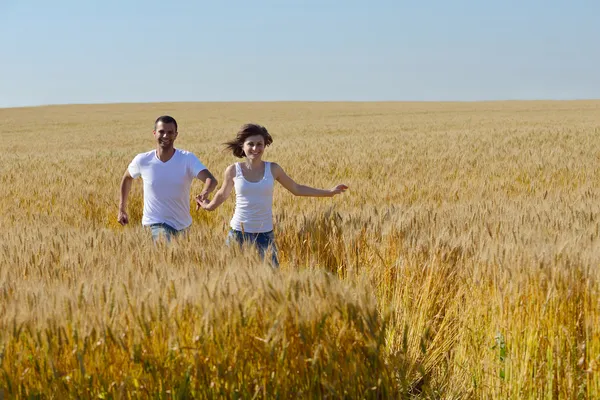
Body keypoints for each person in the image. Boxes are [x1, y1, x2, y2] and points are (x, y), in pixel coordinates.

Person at [196, 123, 348, 268]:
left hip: (264, 236)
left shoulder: (273, 169)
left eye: (259, 144)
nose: (255, 148)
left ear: (265, 145)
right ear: (242, 146)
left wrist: (329, 193)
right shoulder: (233, 170)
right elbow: (222, 194)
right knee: (232, 280)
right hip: (238, 234)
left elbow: (296, 189)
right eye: (251, 144)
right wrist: (207, 206)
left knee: (271, 279)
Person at [118, 115, 217, 242]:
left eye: (170, 132)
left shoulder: (187, 159)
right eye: (161, 132)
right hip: (154, 224)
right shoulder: (143, 160)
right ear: (154, 133)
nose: (165, 136)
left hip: (183, 227)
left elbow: (211, 180)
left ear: (176, 135)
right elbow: (127, 178)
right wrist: (121, 209)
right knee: (163, 244)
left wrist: (205, 192)